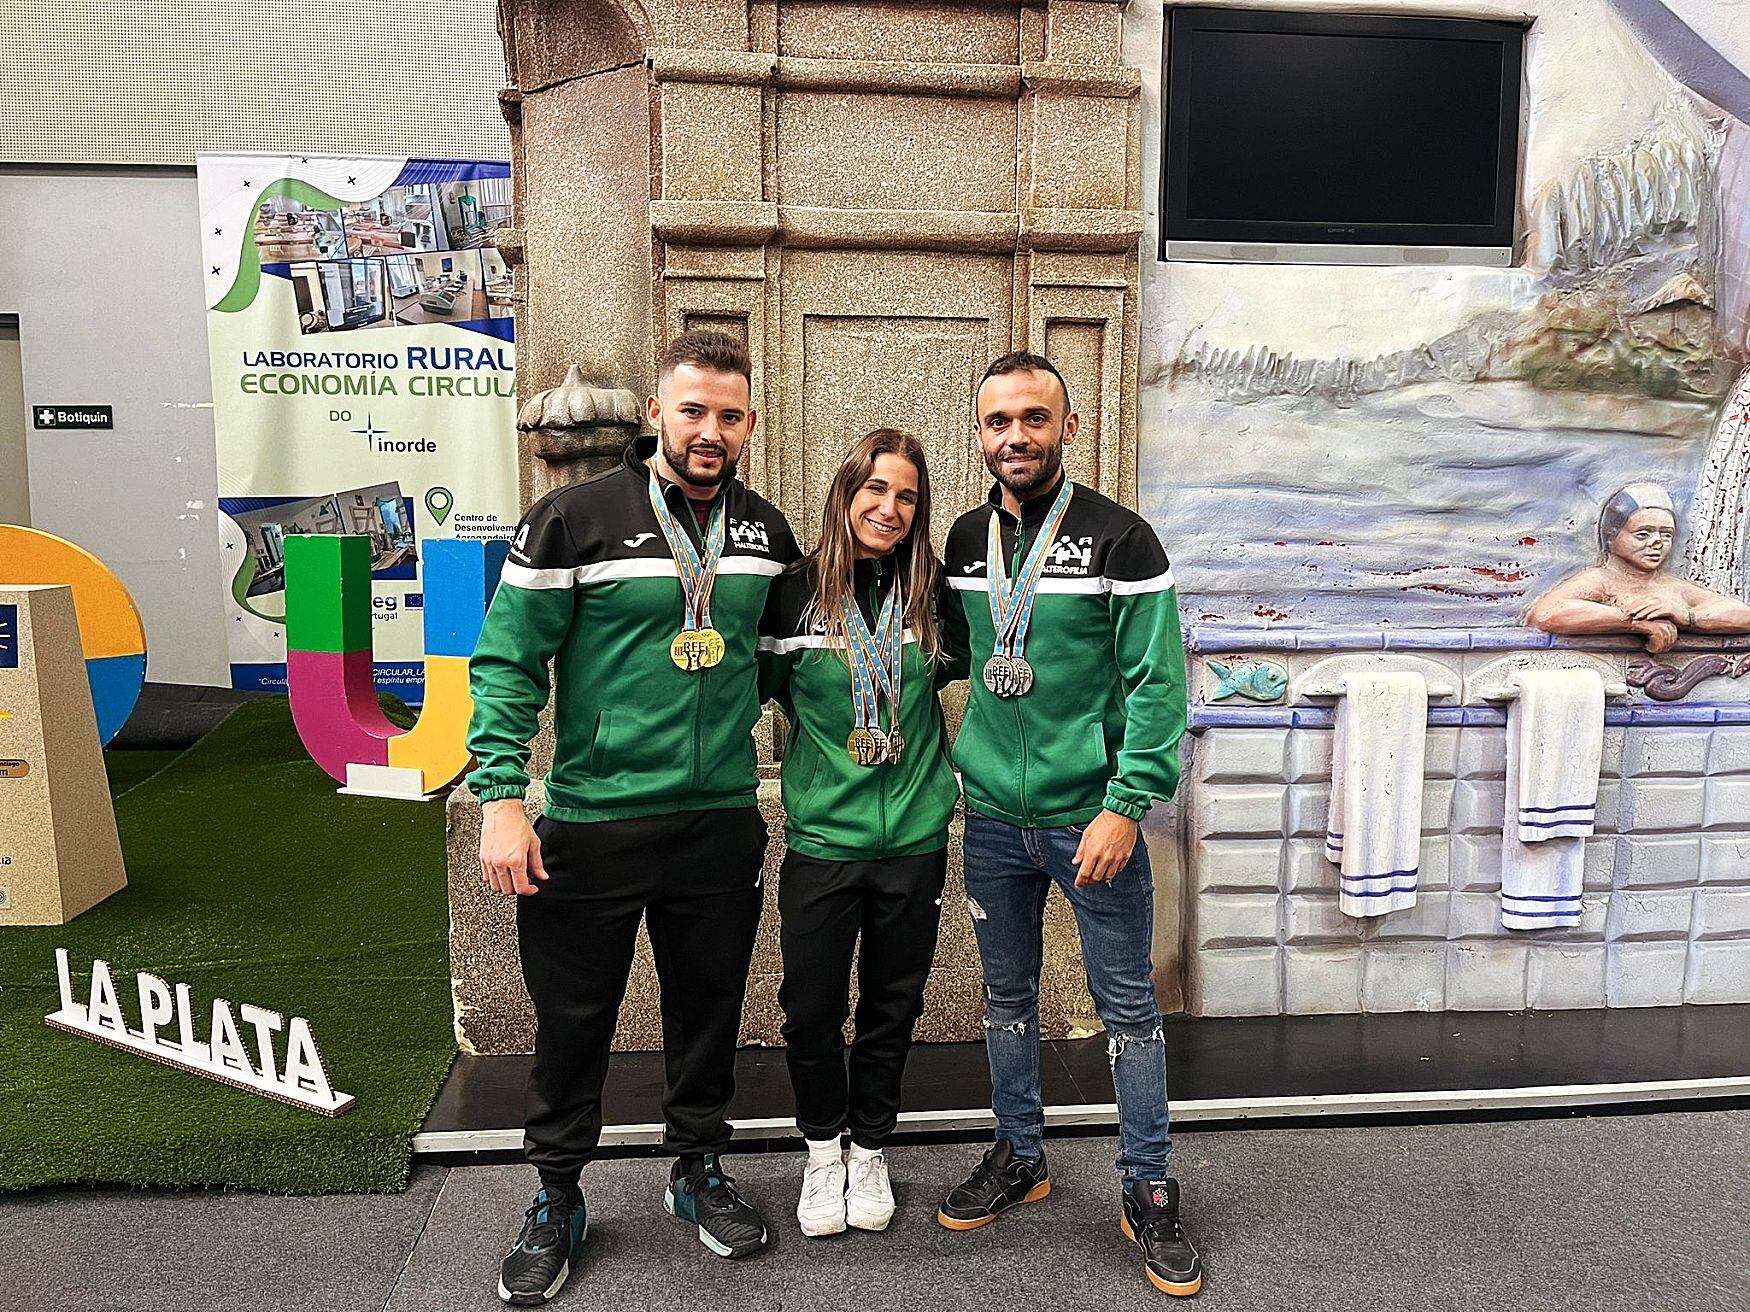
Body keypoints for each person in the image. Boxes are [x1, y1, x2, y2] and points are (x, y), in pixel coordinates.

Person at [467, 330, 799, 1305]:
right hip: (591, 821)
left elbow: (783, 672)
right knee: (573, 1021)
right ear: (656, 414)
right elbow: (506, 664)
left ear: (748, 422)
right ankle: (556, 1194)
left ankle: (695, 1168)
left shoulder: (765, 534)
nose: (709, 431)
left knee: (708, 1016)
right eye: (691, 410)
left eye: (728, 414)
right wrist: (500, 799)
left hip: (717, 823)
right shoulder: (571, 520)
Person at [935, 352, 1201, 1297]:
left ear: (1068, 428)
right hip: (994, 820)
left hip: (1091, 820)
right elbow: (942, 654)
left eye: (1034, 419)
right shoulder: (964, 542)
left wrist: (1125, 806)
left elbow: (1159, 688)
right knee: (1006, 1000)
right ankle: (1020, 1154)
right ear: (980, 433)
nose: (1016, 437)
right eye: (999, 421)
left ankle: (1149, 1186)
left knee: (1126, 1008)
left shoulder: (1121, 539)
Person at [757, 428, 959, 1238]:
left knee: (891, 1004)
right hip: (822, 842)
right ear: (845, 494)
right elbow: (759, 693)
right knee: (809, 1008)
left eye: (907, 496)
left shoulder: (933, 594)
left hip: (913, 840)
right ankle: (821, 1151)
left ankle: (871, 1149)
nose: (889, 508)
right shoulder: (793, 594)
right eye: (875, 489)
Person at [1527, 482, 1750, 652]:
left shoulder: (1672, 587)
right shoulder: (1600, 580)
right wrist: (1634, 622)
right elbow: (1545, 613)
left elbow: (1743, 616)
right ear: (1612, 537)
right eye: (1643, 533)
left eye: (1666, 534)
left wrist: (1687, 616)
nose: (1657, 542)